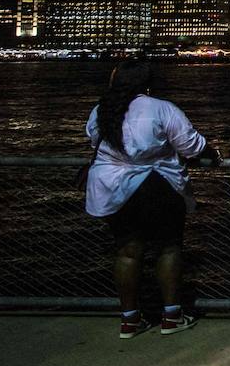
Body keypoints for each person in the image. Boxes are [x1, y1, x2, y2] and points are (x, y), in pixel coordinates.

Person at [84, 60, 219, 339]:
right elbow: (190, 145)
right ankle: (171, 316)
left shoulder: (101, 110)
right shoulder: (160, 108)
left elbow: (92, 140)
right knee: (168, 249)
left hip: (114, 190)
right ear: (147, 84)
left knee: (127, 252)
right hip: (158, 186)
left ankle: (130, 321)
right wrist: (212, 153)